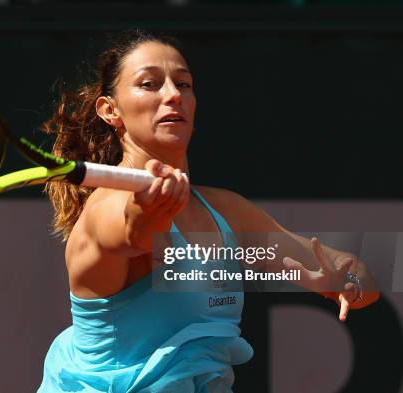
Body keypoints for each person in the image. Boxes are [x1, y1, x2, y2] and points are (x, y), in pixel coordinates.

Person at [37, 30, 379, 393]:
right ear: (110, 110)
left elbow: (356, 274)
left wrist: (345, 282)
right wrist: (150, 211)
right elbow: (135, 231)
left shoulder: (226, 210)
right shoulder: (104, 209)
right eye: (149, 84)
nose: (172, 95)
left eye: (183, 84)